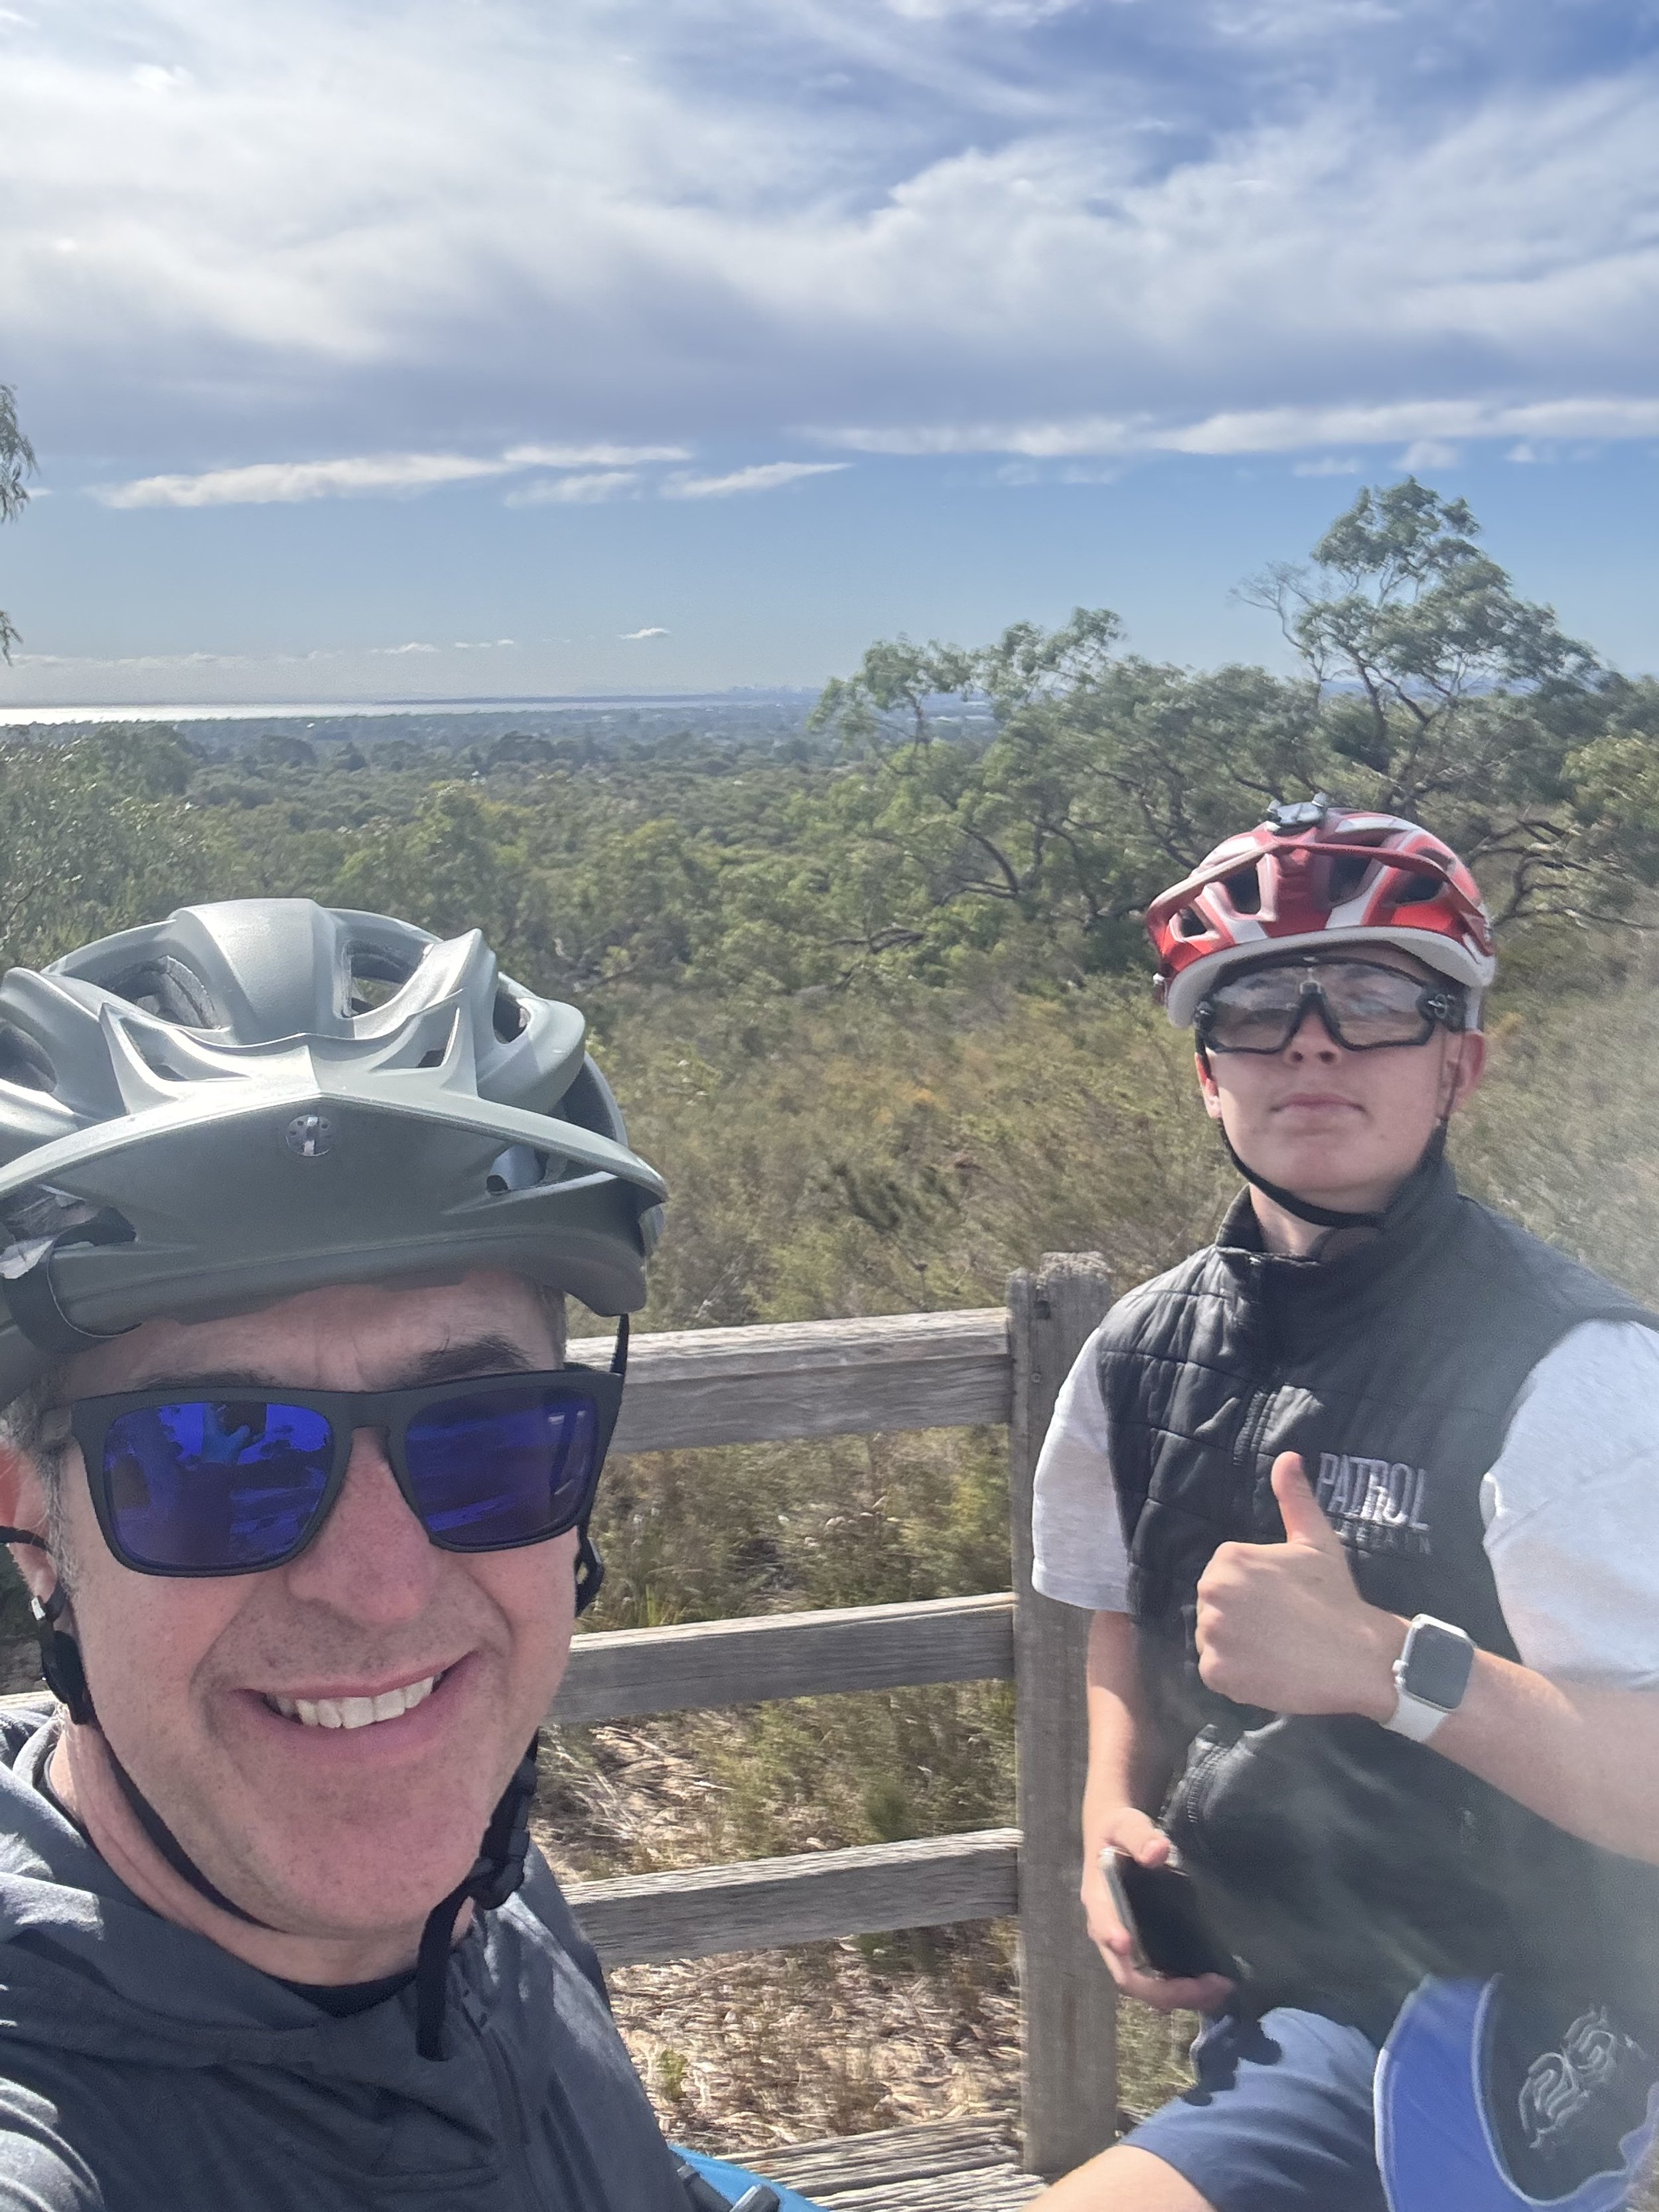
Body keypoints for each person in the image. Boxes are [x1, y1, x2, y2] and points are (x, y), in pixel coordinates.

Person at [0, 899, 809, 2212]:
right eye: (218, 1455)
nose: (379, 1582)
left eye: (482, 1437)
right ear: (34, 1521)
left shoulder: (477, 1865)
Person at [1029, 800, 1659, 2212]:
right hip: (1275, 1985)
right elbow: (1117, 1621)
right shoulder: (1135, 1354)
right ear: (1206, 1071)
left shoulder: (1573, 1377)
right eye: (1255, 1003)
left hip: (1510, 2003)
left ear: (1460, 1063)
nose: (1310, 1038)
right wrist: (1101, 1825)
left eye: (1375, 998)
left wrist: (1390, 1665)